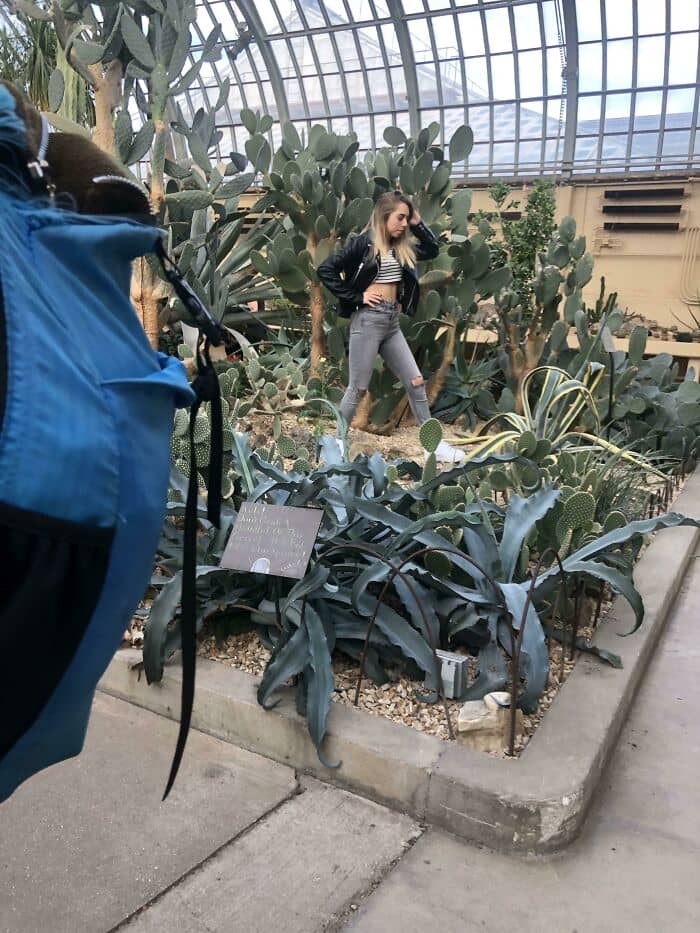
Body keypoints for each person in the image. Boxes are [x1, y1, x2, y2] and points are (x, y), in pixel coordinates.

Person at [317, 191, 465, 463]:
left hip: (391, 324)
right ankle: (336, 444)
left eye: (407, 218)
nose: (404, 223)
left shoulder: (402, 247)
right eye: (400, 217)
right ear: (384, 216)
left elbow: (432, 249)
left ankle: (432, 447)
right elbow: (326, 269)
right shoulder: (363, 243)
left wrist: (418, 222)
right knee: (358, 388)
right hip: (368, 321)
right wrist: (357, 297)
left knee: (416, 381)